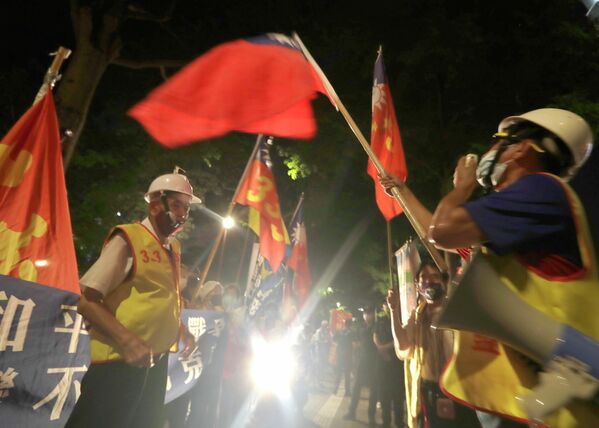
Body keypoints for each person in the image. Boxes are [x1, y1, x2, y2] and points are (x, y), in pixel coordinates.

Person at [384, 108, 599, 427]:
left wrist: (462, 188)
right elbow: (438, 233)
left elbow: (442, 231)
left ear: (522, 148)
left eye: (498, 140)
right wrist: (402, 191)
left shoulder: (541, 189)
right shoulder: (522, 213)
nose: (490, 149)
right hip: (541, 403)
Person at [66, 169, 201, 428]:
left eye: (186, 208)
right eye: (176, 205)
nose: (183, 214)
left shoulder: (173, 247)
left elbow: (161, 296)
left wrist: (181, 330)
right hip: (119, 363)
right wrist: (128, 341)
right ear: (154, 205)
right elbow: (87, 301)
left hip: (154, 362)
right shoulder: (128, 238)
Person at [387, 261, 479, 428]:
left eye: (434, 276)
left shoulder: (457, 310)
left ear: (443, 282)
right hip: (429, 392)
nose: (429, 281)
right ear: (417, 285)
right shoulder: (417, 317)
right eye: (424, 278)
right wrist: (393, 310)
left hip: (460, 390)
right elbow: (404, 347)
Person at [344, 306, 379, 426]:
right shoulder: (361, 328)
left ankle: (371, 417)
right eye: (365, 314)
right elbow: (356, 343)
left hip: (374, 362)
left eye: (369, 313)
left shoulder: (377, 327)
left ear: (374, 315)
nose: (367, 316)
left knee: (373, 390)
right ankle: (351, 412)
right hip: (362, 362)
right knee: (356, 388)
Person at [374, 303, 406, 428]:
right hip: (382, 363)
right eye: (385, 304)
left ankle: (399, 422)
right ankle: (385, 422)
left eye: (389, 304)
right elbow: (375, 335)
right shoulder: (380, 321)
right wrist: (380, 348)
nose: (387, 306)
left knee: (397, 395)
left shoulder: (400, 319)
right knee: (384, 394)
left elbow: (399, 337)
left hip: (396, 361)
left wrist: (384, 348)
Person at [332, 318, 353, 396]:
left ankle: (335, 389)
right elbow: (354, 343)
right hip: (348, 354)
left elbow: (334, 340)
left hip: (340, 353)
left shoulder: (339, 331)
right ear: (350, 325)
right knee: (347, 373)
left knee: (338, 373)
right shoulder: (351, 332)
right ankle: (347, 391)